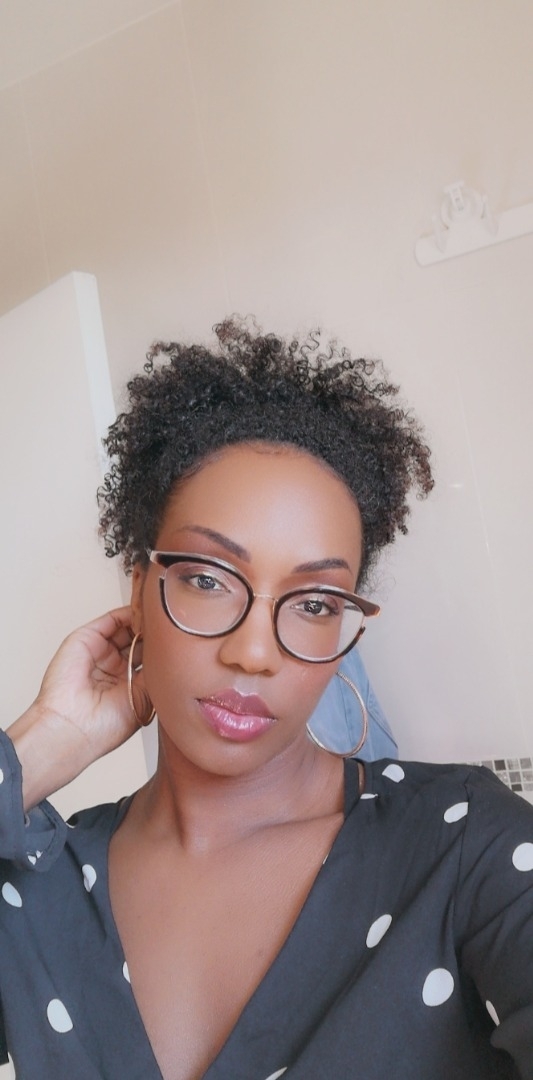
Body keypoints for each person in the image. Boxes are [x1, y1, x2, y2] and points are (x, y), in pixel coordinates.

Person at [1, 319, 532, 1080]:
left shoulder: (464, 843)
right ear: (139, 589)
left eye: (314, 603)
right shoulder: (39, 886)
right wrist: (43, 743)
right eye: (209, 579)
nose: (253, 651)